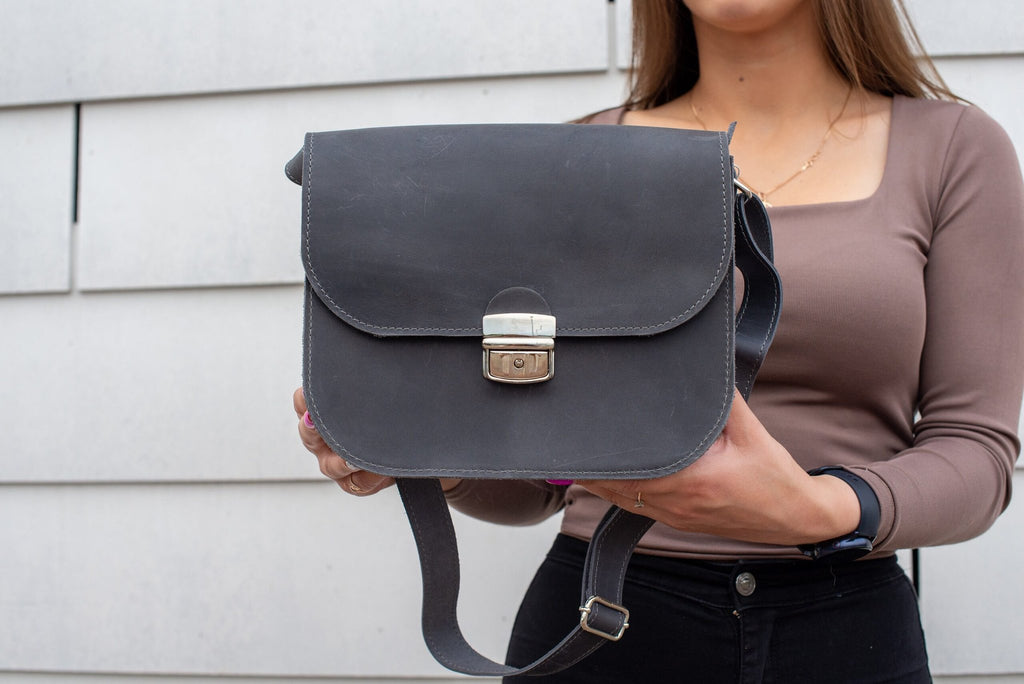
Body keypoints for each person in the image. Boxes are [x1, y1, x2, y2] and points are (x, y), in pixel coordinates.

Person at [293, 0, 1024, 681]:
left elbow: (977, 452)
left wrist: (814, 509)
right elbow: (543, 480)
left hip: (846, 630)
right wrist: (426, 459)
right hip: (597, 622)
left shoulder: (954, 149)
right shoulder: (581, 154)